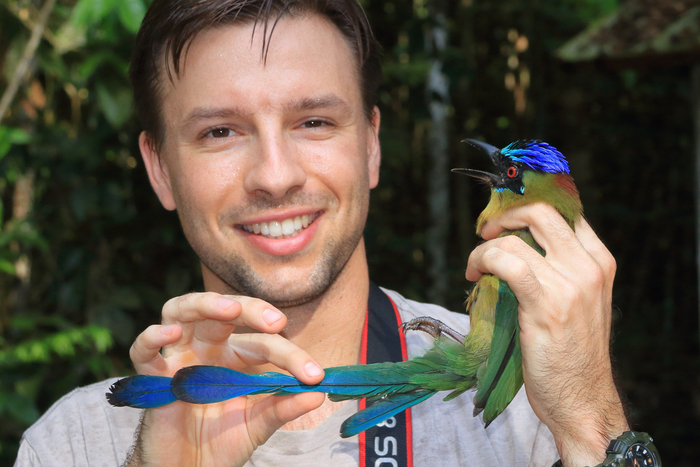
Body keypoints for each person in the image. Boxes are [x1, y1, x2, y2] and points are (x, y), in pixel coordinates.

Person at [15, 1, 629, 466]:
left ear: (370, 146)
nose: (275, 177)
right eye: (220, 132)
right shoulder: (72, 444)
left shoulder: (533, 394)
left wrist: (589, 418)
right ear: (159, 169)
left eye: (313, 121)